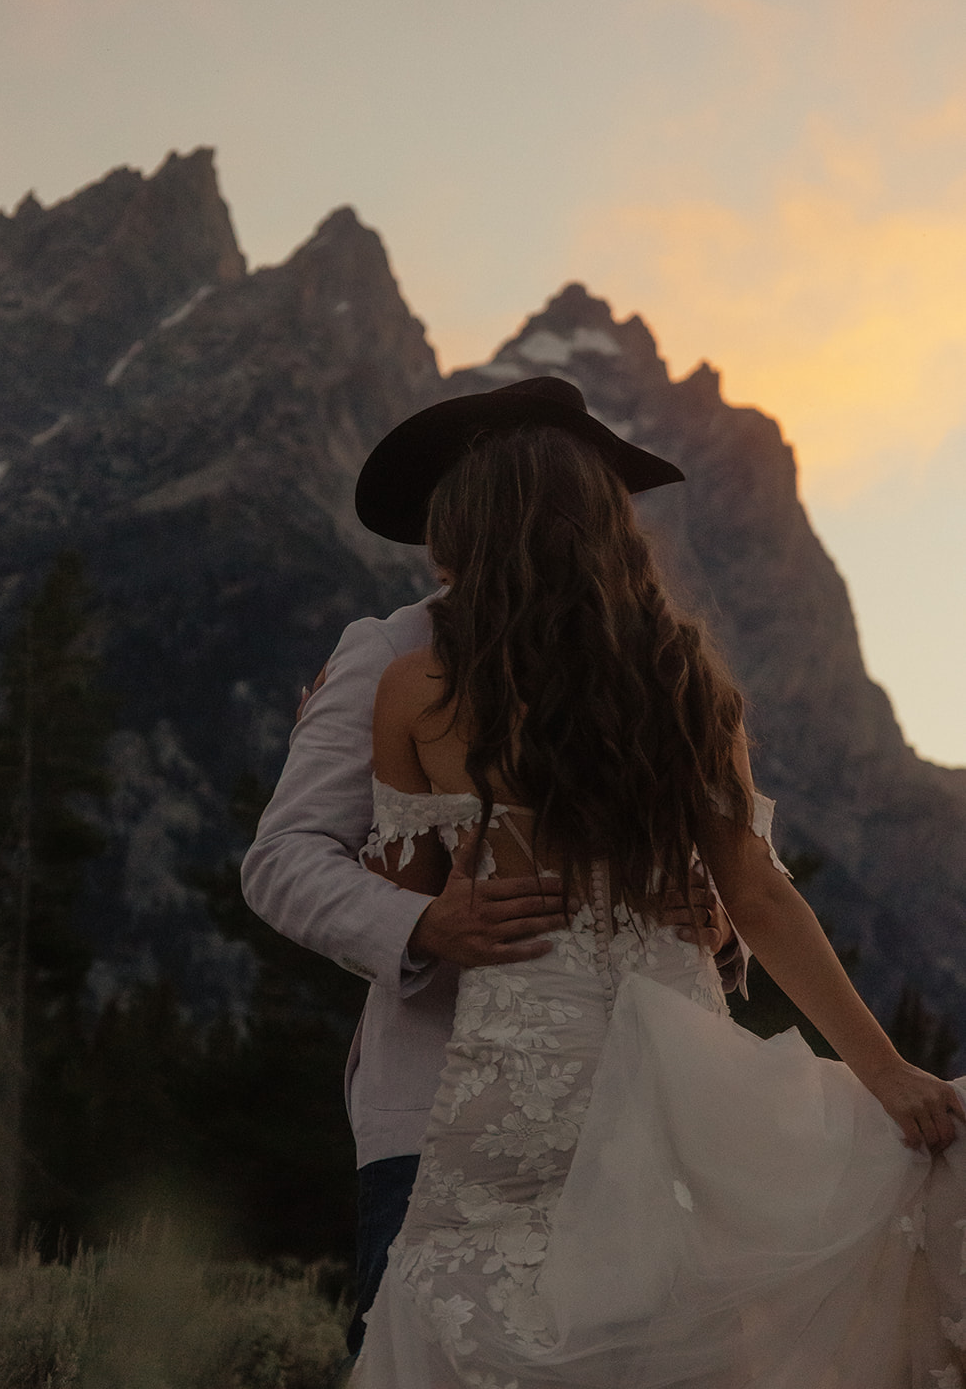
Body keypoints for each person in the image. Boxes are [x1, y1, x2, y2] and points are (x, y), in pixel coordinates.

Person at [347, 379, 966, 1388]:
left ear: (467, 532)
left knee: (480, 1308)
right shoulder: (683, 679)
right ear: (604, 526)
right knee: (681, 1312)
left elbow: (415, 885)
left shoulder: (416, 688)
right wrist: (882, 1070)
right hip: (670, 1039)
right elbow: (757, 897)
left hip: (522, 1057)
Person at [241, 379, 744, 1361]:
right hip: (441, 1120)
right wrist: (422, 926)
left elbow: (738, 878)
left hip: (649, 1108)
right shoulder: (393, 652)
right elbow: (285, 856)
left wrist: (715, 928)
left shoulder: (658, 667)